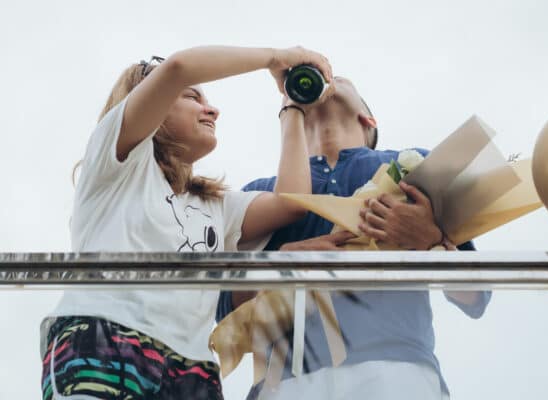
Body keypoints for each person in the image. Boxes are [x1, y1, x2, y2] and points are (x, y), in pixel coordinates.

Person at [40, 46, 333, 400]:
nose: (212, 109)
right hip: (106, 334)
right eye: (193, 97)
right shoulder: (116, 161)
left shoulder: (214, 206)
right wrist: (275, 58)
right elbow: (179, 67)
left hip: (191, 367)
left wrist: (292, 108)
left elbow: (291, 202)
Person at [217, 76, 491, 400]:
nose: (327, 79)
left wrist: (430, 241)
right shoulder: (261, 194)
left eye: (338, 78)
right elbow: (224, 309)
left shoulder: (418, 164)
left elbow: (476, 298)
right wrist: (279, 264)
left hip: (397, 372)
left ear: (368, 119)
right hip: (285, 382)